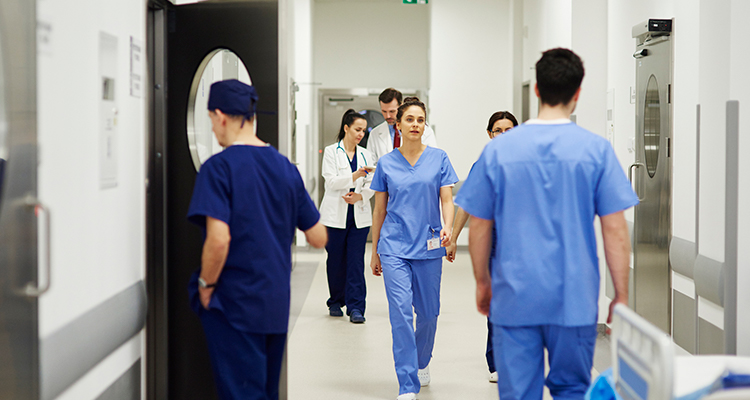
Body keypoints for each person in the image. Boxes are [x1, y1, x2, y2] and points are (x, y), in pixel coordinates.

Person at [455, 48, 638, 400]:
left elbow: (479, 226)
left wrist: (482, 282)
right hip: (574, 298)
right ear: (578, 94)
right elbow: (615, 229)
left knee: (518, 393)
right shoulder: (595, 150)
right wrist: (622, 295)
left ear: (536, 90)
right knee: (571, 390)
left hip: (514, 296)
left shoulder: (498, 152)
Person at [186, 79, 327, 400]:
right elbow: (318, 237)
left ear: (220, 116)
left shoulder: (218, 168)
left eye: (210, 121)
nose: (213, 130)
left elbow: (218, 240)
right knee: (265, 392)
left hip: (234, 304)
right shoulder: (285, 168)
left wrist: (206, 285)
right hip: (274, 304)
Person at [369, 97, 458, 400]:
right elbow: (379, 210)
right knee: (401, 314)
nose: (415, 125)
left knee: (429, 314)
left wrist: (449, 227)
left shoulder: (439, 158)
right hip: (394, 245)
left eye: (420, 120)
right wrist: (375, 250)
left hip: (430, 244)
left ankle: (422, 362)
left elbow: (447, 199)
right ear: (399, 124)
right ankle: (407, 383)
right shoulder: (387, 163)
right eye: (410, 119)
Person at [445, 110, 518, 384]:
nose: (502, 135)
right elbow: (465, 203)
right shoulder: (483, 165)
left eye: (508, 129)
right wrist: (453, 238)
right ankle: (497, 361)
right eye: (497, 130)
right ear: (489, 134)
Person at [319, 109, 376, 323]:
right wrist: (354, 176)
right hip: (335, 216)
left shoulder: (366, 154)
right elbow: (331, 182)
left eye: (363, 130)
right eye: (357, 129)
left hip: (358, 216)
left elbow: (373, 183)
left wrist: (361, 196)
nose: (361, 133)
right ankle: (335, 301)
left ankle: (356, 308)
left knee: (355, 262)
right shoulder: (332, 151)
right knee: (335, 261)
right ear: (346, 128)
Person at [367, 88, 437, 164]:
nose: (388, 116)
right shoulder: (375, 133)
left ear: (400, 107)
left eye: (392, 111)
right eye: (384, 111)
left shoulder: (424, 130)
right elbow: (371, 165)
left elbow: (432, 159)